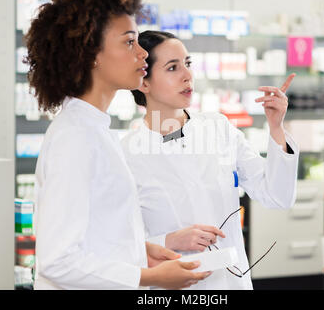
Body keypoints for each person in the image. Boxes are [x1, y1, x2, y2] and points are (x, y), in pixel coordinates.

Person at [25, 0, 210, 290]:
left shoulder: (94, 128)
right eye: (129, 41)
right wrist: (147, 277)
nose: (143, 53)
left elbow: (97, 233)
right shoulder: (75, 138)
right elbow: (56, 261)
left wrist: (139, 252)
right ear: (91, 54)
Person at [121, 30, 300, 289]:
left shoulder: (219, 129)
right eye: (173, 68)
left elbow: (277, 196)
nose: (187, 75)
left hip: (231, 282)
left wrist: (276, 128)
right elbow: (119, 244)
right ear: (144, 83)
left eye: (188, 64)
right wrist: (169, 241)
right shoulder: (127, 155)